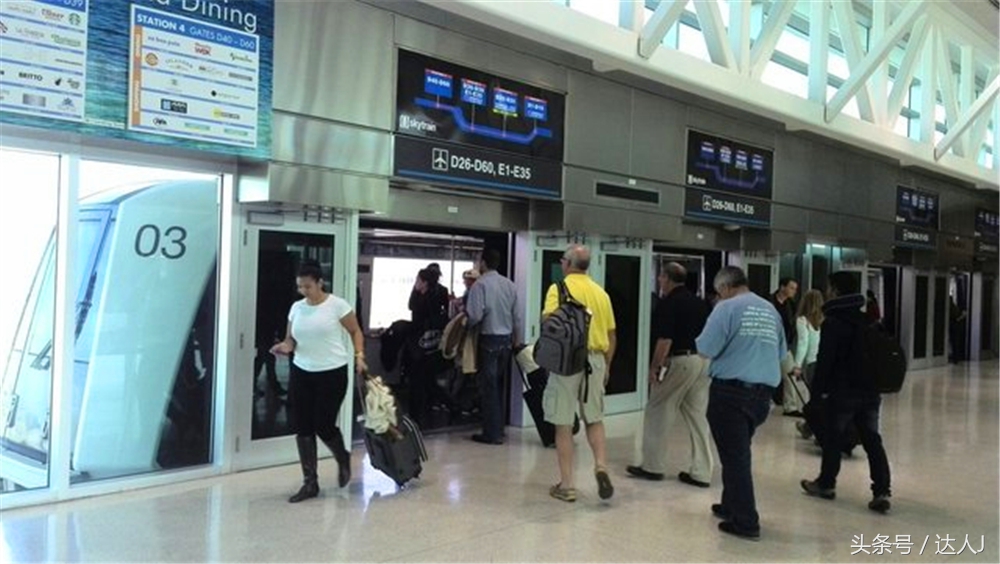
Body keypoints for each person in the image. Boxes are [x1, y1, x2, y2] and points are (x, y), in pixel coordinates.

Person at [696, 266, 786, 540]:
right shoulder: (770, 310)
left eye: (718, 292)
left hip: (731, 393)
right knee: (737, 449)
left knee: (735, 457)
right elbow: (782, 351)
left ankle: (746, 521)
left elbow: (705, 348)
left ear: (724, 288)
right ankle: (729, 504)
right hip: (762, 394)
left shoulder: (726, 308)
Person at [270, 260, 368, 503]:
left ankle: (342, 457)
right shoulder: (296, 308)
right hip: (302, 371)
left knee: (323, 424)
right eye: (300, 287)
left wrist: (360, 356)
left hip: (332, 372)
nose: (304, 291)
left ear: (320, 283)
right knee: (302, 426)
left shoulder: (337, 306)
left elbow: (356, 331)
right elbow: (290, 339)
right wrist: (284, 347)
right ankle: (310, 483)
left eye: (308, 286)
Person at [801, 272, 892, 514]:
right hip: (870, 390)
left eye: (830, 288)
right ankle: (882, 489)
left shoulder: (833, 322)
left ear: (836, 291)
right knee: (872, 439)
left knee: (833, 438)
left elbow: (825, 361)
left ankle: (826, 483)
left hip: (843, 391)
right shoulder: (866, 320)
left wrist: (816, 393)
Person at [628, 263, 712, 488]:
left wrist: (654, 367)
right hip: (703, 361)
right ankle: (702, 472)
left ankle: (653, 466)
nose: (659, 282)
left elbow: (665, 340)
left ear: (666, 278)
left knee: (658, 409)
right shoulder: (699, 302)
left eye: (661, 278)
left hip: (681, 360)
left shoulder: (669, 303)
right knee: (697, 417)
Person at [543, 245, 616, 503]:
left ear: (567, 264)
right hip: (595, 361)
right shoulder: (601, 294)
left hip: (566, 362)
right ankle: (601, 466)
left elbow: (548, 325)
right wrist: (606, 366)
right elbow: (611, 335)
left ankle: (567, 485)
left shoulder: (558, 289)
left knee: (563, 424)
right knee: (594, 418)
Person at [465, 249, 522, 445]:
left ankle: (491, 433)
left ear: (483, 263)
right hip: (506, 341)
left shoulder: (479, 285)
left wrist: (464, 328)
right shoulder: (509, 285)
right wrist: (517, 339)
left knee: (488, 388)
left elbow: (475, 316)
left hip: (488, 340)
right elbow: (517, 317)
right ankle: (499, 428)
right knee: (499, 385)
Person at [406, 267, 451, 425]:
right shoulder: (438, 294)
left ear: (424, 282)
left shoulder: (422, 298)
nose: (416, 283)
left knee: (418, 378)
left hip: (421, 340)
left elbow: (411, 307)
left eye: (418, 280)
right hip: (431, 341)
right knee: (427, 378)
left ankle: (416, 414)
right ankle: (448, 404)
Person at [771, 278, 799, 411]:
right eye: (792, 288)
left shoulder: (791, 305)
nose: (794, 291)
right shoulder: (769, 302)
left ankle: (790, 406)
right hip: (770, 345)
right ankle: (768, 400)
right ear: (782, 287)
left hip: (784, 345)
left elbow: (791, 324)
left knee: (790, 374)